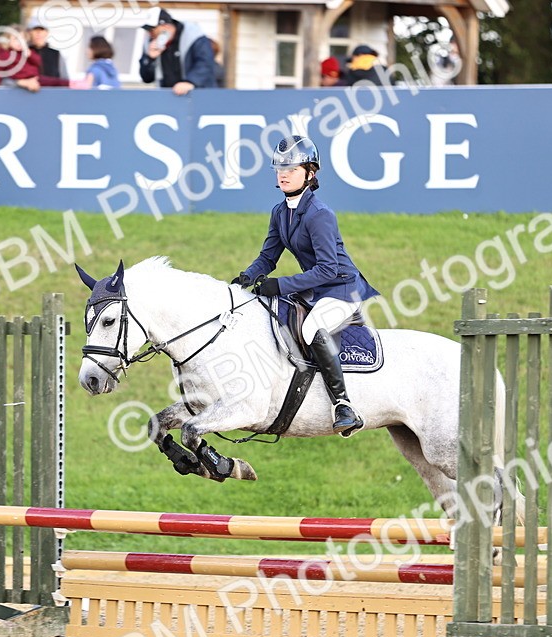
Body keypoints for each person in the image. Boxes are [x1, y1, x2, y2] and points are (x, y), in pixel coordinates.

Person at [231, 136, 380, 437]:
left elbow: (328, 268)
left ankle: (343, 405)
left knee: (311, 328)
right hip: (316, 289)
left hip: (342, 288)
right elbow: (268, 257)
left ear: (310, 173)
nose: (282, 174)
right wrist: (245, 278)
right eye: (279, 168)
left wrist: (281, 286)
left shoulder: (320, 215)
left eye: (292, 168)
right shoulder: (280, 212)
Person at [138, 8, 217, 95]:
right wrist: (150, 59)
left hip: (199, 96)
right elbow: (147, 78)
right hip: (169, 98)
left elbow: (205, 63)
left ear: (166, 26)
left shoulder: (193, 36)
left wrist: (190, 82)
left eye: (152, 30)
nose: (150, 34)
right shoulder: (150, 43)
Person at [0, 27, 77, 91]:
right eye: (15, 39)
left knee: (56, 82)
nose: (38, 34)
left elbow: (37, 62)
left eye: (21, 39)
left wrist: (30, 54)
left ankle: (76, 84)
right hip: (20, 88)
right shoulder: (5, 55)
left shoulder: (54, 53)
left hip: (39, 82)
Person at [27, 16, 63, 81]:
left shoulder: (56, 54)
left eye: (41, 30)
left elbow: (64, 78)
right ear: (29, 32)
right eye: (35, 30)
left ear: (46, 32)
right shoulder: (23, 54)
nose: (38, 33)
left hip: (53, 90)